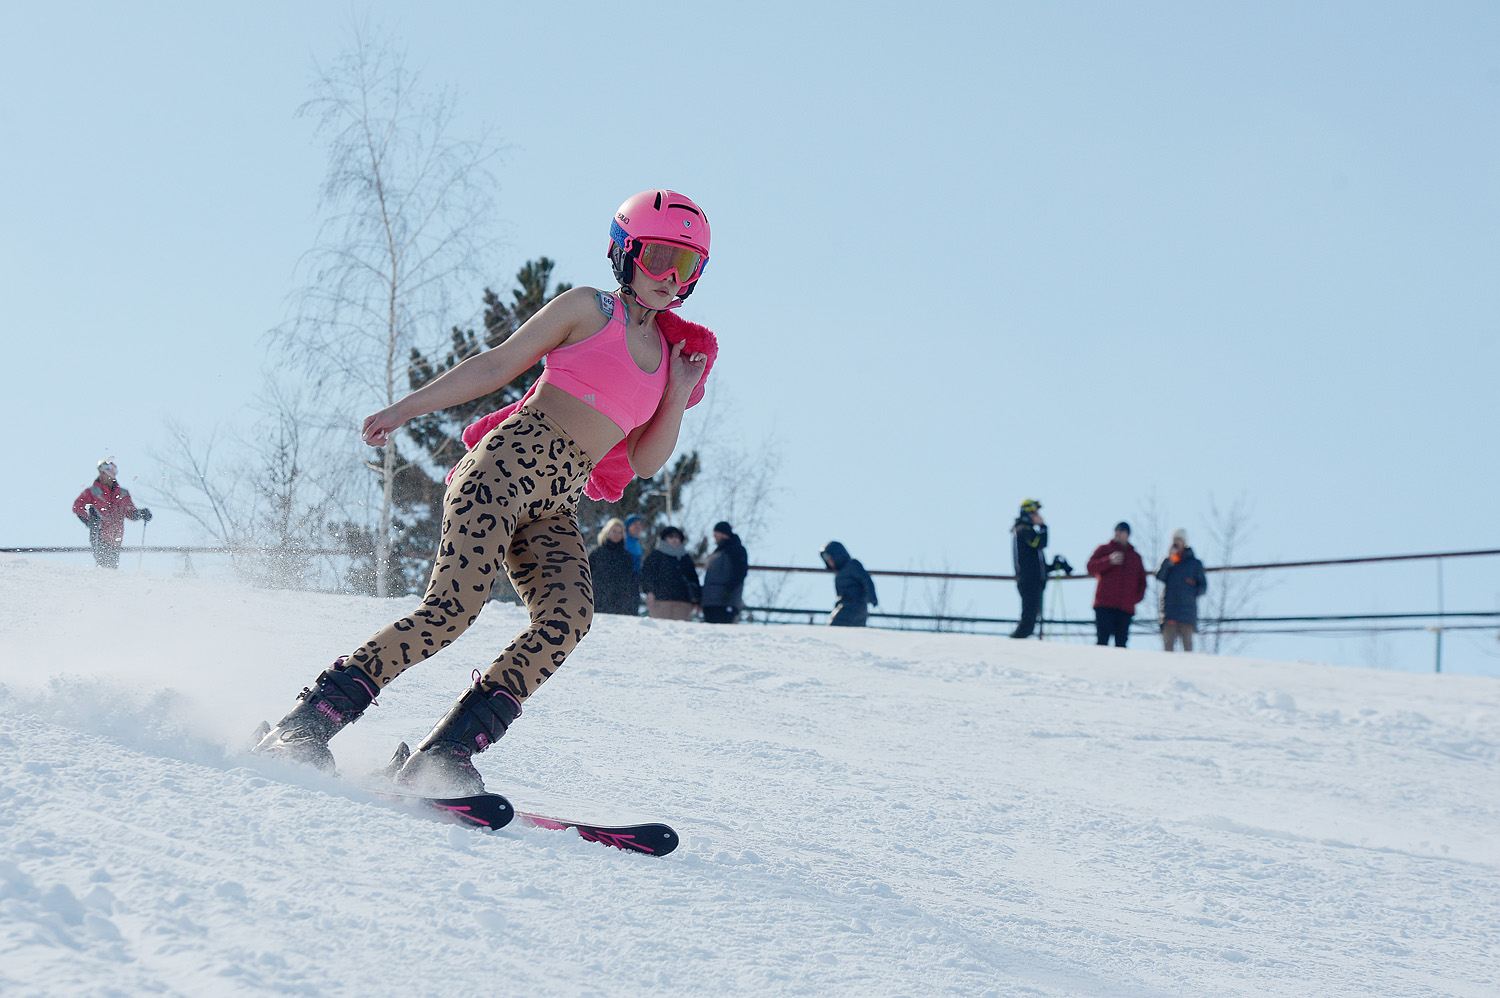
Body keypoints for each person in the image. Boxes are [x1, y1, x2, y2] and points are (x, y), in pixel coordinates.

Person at [254, 189, 719, 794]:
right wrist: (407, 409)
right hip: (500, 471)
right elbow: (497, 366)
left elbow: (644, 460)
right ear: (624, 251)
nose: (669, 278)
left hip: (555, 504)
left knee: (570, 616)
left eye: (686, 267)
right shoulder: (588, 308)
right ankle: (306, 722)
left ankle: (445, 754)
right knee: (451, 611)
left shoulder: (666, 360)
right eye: (658, 257)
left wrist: (679, 393)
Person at [72, 459, 151, 569]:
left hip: (116, 538)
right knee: (104, 564)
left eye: (104, 473)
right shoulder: (92, 492)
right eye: (101, 472)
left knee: (111, 567)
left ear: (111, 475)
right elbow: (77, 506)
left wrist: (140, 514)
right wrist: (89, 521)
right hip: (99, 534)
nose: (102, 475)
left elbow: (129, 511)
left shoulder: (122, 493)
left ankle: (106, 583)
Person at [1085, 521, 1147, 647]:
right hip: (1104, 604)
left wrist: (1134, 599)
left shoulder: (1135, 557)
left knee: (1121, 643)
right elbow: (1090, 567)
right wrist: (1109, 561)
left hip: (1125, 608)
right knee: (1102, 641)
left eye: (1122, 531)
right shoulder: (1104, 549)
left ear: (1128, 534)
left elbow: (1142, 582)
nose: (1118, 534)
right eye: (1117, 531)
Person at [1157, 529, 1208, 651]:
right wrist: (1169, 559)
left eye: (1178, 540)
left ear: (1184, 542)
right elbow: (1159, 576)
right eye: (1174, 540)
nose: (1176, 543)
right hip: (1169, 612)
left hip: (1187, 614)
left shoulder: (1194, 564)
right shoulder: (1169, 561)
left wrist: (1190, 593)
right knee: (1168, 648)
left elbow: (1203, 586)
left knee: (1188, 649)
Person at [640, 526, 701, 620]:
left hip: (683, 604)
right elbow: (647, 575)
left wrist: (697, 600)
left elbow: (694, 579)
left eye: (677, 537)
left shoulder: (686, 559)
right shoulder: (656, 556)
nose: (674, 540)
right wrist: (649, 592)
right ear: (664, 539)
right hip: (660, 602)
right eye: (671, 536)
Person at [1010, 499, 1047, 638]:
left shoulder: (1027, 530)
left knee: (1031, 622)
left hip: (1034, 580)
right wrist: (1043, 527)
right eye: (1035, 513)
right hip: (1029, 581)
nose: (1038, 516)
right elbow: (1039, 543)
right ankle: (1010, 646)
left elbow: (1036, 561)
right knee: (1027, 622)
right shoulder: (1023, 530)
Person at [820, 541, 878, 627]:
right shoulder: (840, 572)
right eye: (826, 559)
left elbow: (866, 580)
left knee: (833, 628)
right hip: (848, 606)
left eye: (829, 558)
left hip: (854, 606)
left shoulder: (852, 565)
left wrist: (872, 597)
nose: (828, 561)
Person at [589, 517, 640, 616]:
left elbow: (631, 581)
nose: (617, 534)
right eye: (614, 531)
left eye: (620, 532)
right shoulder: (596, 553)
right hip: (597, 601)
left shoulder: (626, 556)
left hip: (619, 604)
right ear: (607, 531)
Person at [700, 521, 748, 624]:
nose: (714, 536)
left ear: (723, 533)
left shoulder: (736, 550)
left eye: (716, 533)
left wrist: (729, 591)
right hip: (711, 602)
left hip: (724, 602)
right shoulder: (718, 551)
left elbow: (740, 573)